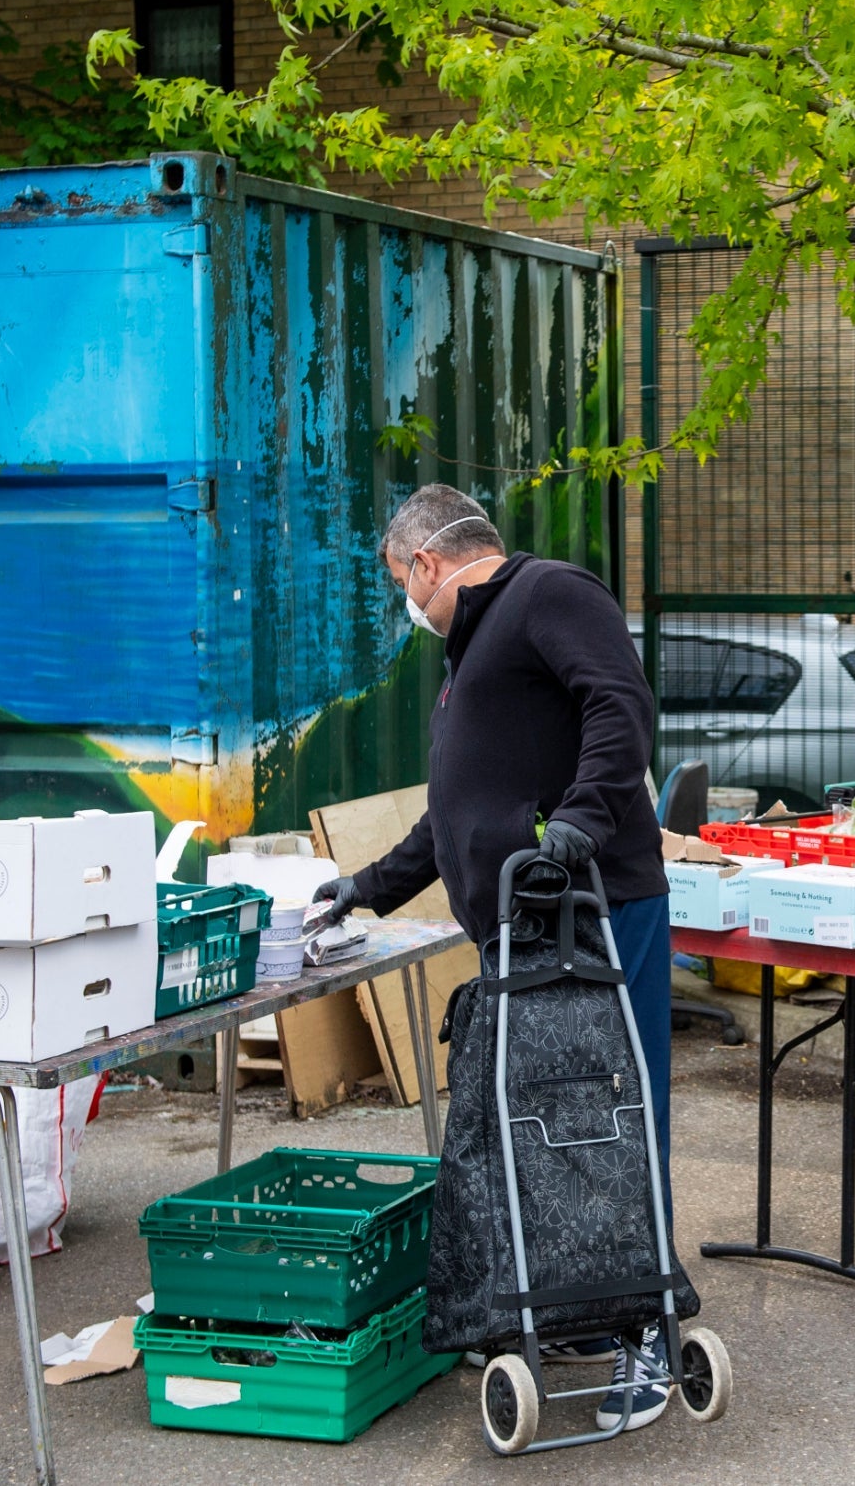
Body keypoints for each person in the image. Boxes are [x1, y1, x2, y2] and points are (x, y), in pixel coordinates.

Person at [314, 485, 672, 1428]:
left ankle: (649, 1342)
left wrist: (582, 826)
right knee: (553, 1128)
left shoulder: (549, 593)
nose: (405, 599)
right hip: (525, 926)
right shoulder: (474, 643)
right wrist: (369, 885)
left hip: (596, 906)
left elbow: (621, 703)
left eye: (401, 579)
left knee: (619, 1117)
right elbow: (457, 805)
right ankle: (587, 1313)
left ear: (428, 561)